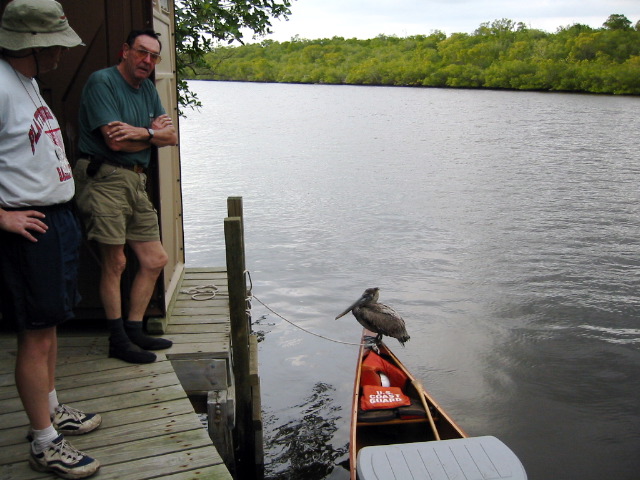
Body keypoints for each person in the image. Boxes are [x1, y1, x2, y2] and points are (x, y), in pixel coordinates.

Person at [0, 0, 101, 478]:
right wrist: (1, 216)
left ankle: (52, 409)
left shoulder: (28, 82)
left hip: (55, 217)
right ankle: (44, 443)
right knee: (35, 336)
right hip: (27, 226)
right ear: (33, 45)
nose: (63, 51)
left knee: (51, 326)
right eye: (55, 44)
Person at [74, 29, 177, 364]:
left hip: (135, 179)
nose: (147, 60)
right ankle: (117, 340)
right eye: (141, 52)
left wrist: (142, 132)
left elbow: (171, 136)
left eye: (154, 56)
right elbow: (114, 142)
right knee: (116, 262)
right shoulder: (102, 82)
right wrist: (152, 135)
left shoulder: (147, 88)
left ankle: (134, 329)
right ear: (125, 50)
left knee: (154, 259)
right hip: (104, 177)